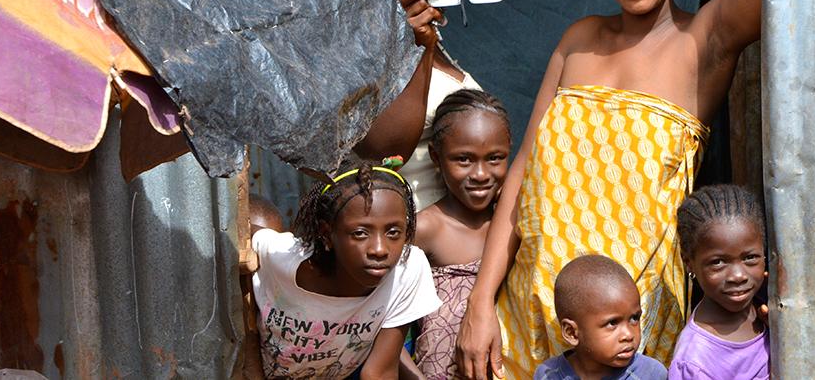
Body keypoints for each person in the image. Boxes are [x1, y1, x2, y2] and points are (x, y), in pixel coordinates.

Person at [456, 0, 765, 377]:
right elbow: (521, 175)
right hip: (531, 306)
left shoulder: (704, 38)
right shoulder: (579, 41)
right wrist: (480, 300)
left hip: (628, 327)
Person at [353, 0, 484, 210]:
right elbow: (385, 155)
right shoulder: (354, 44)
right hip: (404, 248)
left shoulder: (432, 34)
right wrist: (418, 48)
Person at [248, 161, 440, 379]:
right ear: (326, 233)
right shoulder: (283, 257)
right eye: (360, 233)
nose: (379, 249)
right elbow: (249, 231)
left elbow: (379, 372)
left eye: (393, 232)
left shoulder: (407, 270)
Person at [404, 89, 513, 378]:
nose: (480, 174)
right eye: (464, 159)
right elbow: (380, 318)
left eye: (495, 158)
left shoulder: (514, 223)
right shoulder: (427, 229)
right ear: (436, 158)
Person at [669, 185, 770, 380]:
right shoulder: (695, 361)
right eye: (718, 262)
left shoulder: (768, 308)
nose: (738, 275)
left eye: (750, 258)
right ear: (689, 262)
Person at [534, 254, 668, 380]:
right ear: (572, 333)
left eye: (634, 318)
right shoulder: (549, 375)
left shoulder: (650, 374)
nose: (628, 335)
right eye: (612, 323)